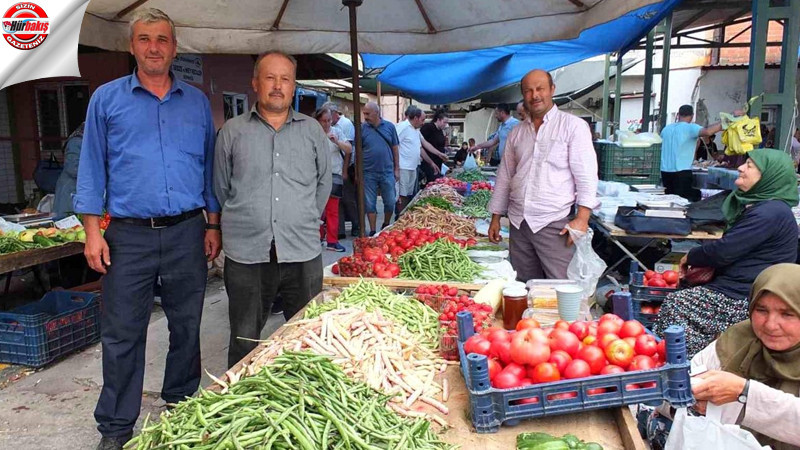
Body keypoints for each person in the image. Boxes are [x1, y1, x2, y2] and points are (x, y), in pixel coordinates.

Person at [73, 9, 221, 450]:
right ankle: (116, 428)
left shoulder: (195, 102)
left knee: (187, 325)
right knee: (122, 332)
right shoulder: (106, 99)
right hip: (127, 237)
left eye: (162, 39)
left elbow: (209, 169)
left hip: (186, 233)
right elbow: (91, 169)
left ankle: (180, 407)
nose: (153, 47)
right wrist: (92, 231)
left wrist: (212, 223)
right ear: (131, 46)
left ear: (174, 48)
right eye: (144, 39)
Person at [213, 51, 330, 368]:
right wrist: (250, 217)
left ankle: (306, 400)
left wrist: (302, 216)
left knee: (307, 335)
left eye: (285, 79)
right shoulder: (232, 132)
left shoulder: (312, 131)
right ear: (254, 84)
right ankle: (242, 399)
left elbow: (324, 183)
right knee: (244, 337)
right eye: (269, 77)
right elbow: (222, 187)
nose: (277, 86)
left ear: (293, 87)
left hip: (302, 250)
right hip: (247, 252)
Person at [653, 149, 799, 357]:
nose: (740, 168)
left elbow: (724, 251)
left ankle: (686, 366)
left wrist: (691, 256)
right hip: (739, 288)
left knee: (677, 304)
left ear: (768, 176)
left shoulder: (771, 212)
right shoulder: (766, 208)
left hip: (744, 297)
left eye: (749, 166)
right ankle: (705, 359)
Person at [644, 264, 800, 449]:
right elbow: (679, 388)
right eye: (761, 310)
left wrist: (744, 393)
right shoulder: (739, 339)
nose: (771, 324)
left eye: (788, 314)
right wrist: (691, 402)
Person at [487, 69, 599, 281]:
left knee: (560, 287)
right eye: (528, 91)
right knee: (524, 286)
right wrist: (495, 217)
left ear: (552, 90)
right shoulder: (516, 133)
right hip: (519, 224)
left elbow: (586, 176)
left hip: (554, 223)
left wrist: (582, 218)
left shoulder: (573, 126)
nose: (535, 95)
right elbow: (505, 176)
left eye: (540, 89)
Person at [660, 104, 722, 202]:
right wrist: (728, 121)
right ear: (692, 116)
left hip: (665, 172)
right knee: (684, 201)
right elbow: (708, 131)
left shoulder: (666, 129)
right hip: (681, 172)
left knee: (669, 201)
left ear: (678, 114)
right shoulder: (690, 128)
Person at [314, 107, 351, 252]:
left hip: (333, 175)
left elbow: (348, 149)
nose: (327, 124)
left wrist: (337, 142)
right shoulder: (312, 133)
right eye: (323, 121)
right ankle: (316, 238)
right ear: (317, 120)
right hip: (316, 176)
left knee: (332, 210)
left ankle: (332, 241)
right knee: (316, 209)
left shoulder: (337, 132)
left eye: (329, 120)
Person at [360, 101, 398, 236]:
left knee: (390, 202)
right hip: (368, 172)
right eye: (364, 113)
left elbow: (395, 148)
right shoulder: (362, 129)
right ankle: (372, 231)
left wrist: (396, 169)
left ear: (376, 113)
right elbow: (358, 151)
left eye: (368, 114)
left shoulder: (389, 127)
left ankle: (386, 224)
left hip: (387, 171)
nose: (365, 116)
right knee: (370, 204)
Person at [395, 105, 440, 215]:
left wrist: (432, 161)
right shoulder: (402, 128)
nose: (423, 123)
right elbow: (394, 145)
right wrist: (395, 167)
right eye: (422, 120)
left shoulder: (416, 130)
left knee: (408, 194)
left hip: (413, 167)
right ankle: (399, 218)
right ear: (415, 118)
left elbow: (421, 147)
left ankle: (404, 216)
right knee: (402, 195)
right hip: (403, 167)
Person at [323, 101, 359, 238]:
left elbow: (349, 151)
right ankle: (340, 230)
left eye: (328, 116)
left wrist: (344, 171)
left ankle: (356, 225)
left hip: (345, 167)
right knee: (336, 202)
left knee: (348, 199)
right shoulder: (327, 127)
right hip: (332, 170)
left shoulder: (345, 125)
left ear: (333, 113)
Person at [53, 122, 84, 216]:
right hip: (70, 193)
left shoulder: (87, 142)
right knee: (67, 226)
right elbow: (73, 168)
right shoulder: (76, 142)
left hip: (79, 192)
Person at [419, 109, 450, 183]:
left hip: (438, 162)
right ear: (438, 120)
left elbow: (439, 144)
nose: (446, 124)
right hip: (428, 162)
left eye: (447, 122)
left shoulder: (441, 131)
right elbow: (423, 143)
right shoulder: (428, 128)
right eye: (444, 122)